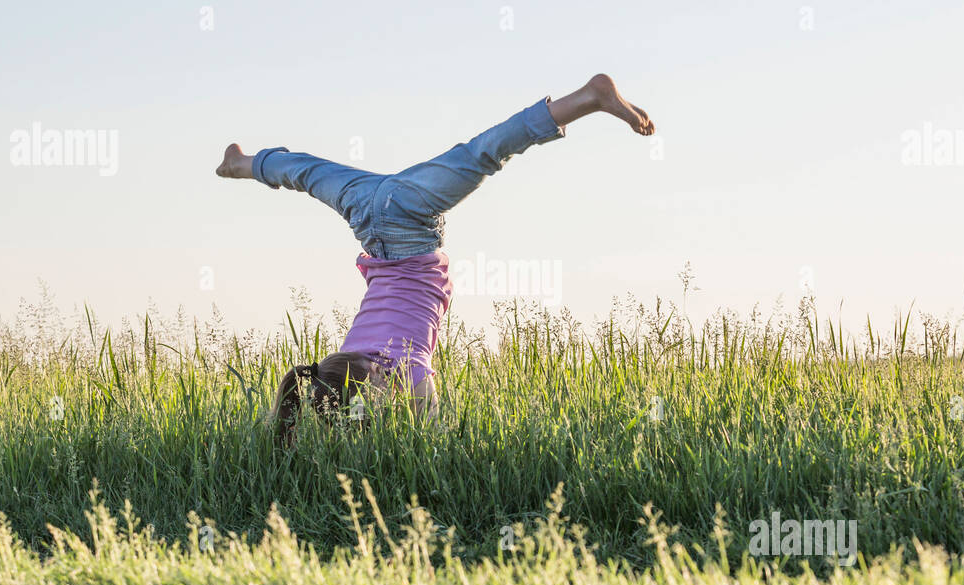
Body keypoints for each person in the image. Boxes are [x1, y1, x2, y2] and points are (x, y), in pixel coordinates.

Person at [215, 73, 654, 442]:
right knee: (306, 173)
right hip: (368, 217)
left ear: (373, 390)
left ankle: (590, 97)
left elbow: (437, 438)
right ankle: (242, 164)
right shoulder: (344, 360)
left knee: (485, 152)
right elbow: (345, 389)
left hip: (409, 222)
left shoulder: (410, 372)